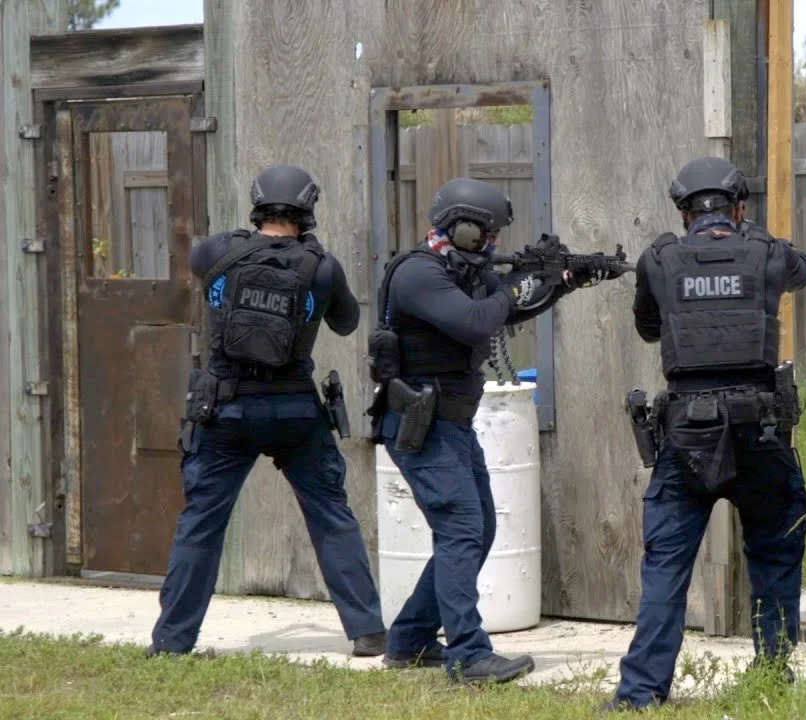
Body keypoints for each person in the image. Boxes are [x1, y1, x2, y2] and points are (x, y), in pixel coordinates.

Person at [368, 176, 619, 684]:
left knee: (477, 529)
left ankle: (411, 640)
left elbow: (512, 308)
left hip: (452, 423)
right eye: (484, 234)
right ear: (457, 228)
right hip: (420, 425)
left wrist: (564, 281)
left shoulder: (464, 271)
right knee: (461, 530)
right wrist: (516, 283)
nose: (493, 245)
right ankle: (469, 655)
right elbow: (479, 321)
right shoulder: (418, 273)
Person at [149, 164, 386, 658]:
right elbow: (346, 323)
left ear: (257, 205)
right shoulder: (322, 267)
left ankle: (172, 642)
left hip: (225, 410)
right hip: (294, 412)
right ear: (308, 209)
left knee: (202, 524)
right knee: (331, 518)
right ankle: (367, 631)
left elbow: (198, 271)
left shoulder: (216, 252)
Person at [603, 156, 806, 712]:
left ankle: (640, 692)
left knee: (666, 565)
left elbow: (649, 327)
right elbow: (803, 270)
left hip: (687, 433)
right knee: (774, 551)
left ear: (682, 210)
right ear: (738, 207)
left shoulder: (659, 259)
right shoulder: (768, 253)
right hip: (761, 430)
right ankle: (771, 676)